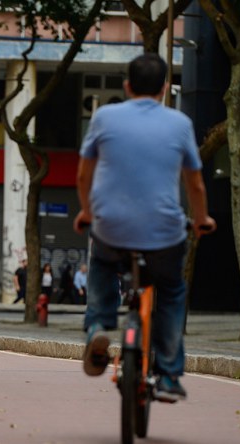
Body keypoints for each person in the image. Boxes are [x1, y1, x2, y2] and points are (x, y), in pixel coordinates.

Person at [73, 53, 216, 403]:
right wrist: (202, 220)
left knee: (103, 266)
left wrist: (88, 211)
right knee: (170, 291)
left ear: (126, 86)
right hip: (164, 234)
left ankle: (99, 326)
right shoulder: (180, 123)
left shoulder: (104, 117)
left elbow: (83, 174)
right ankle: (168, 375)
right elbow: (195, 185)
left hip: (111, 227)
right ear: (165, 89)